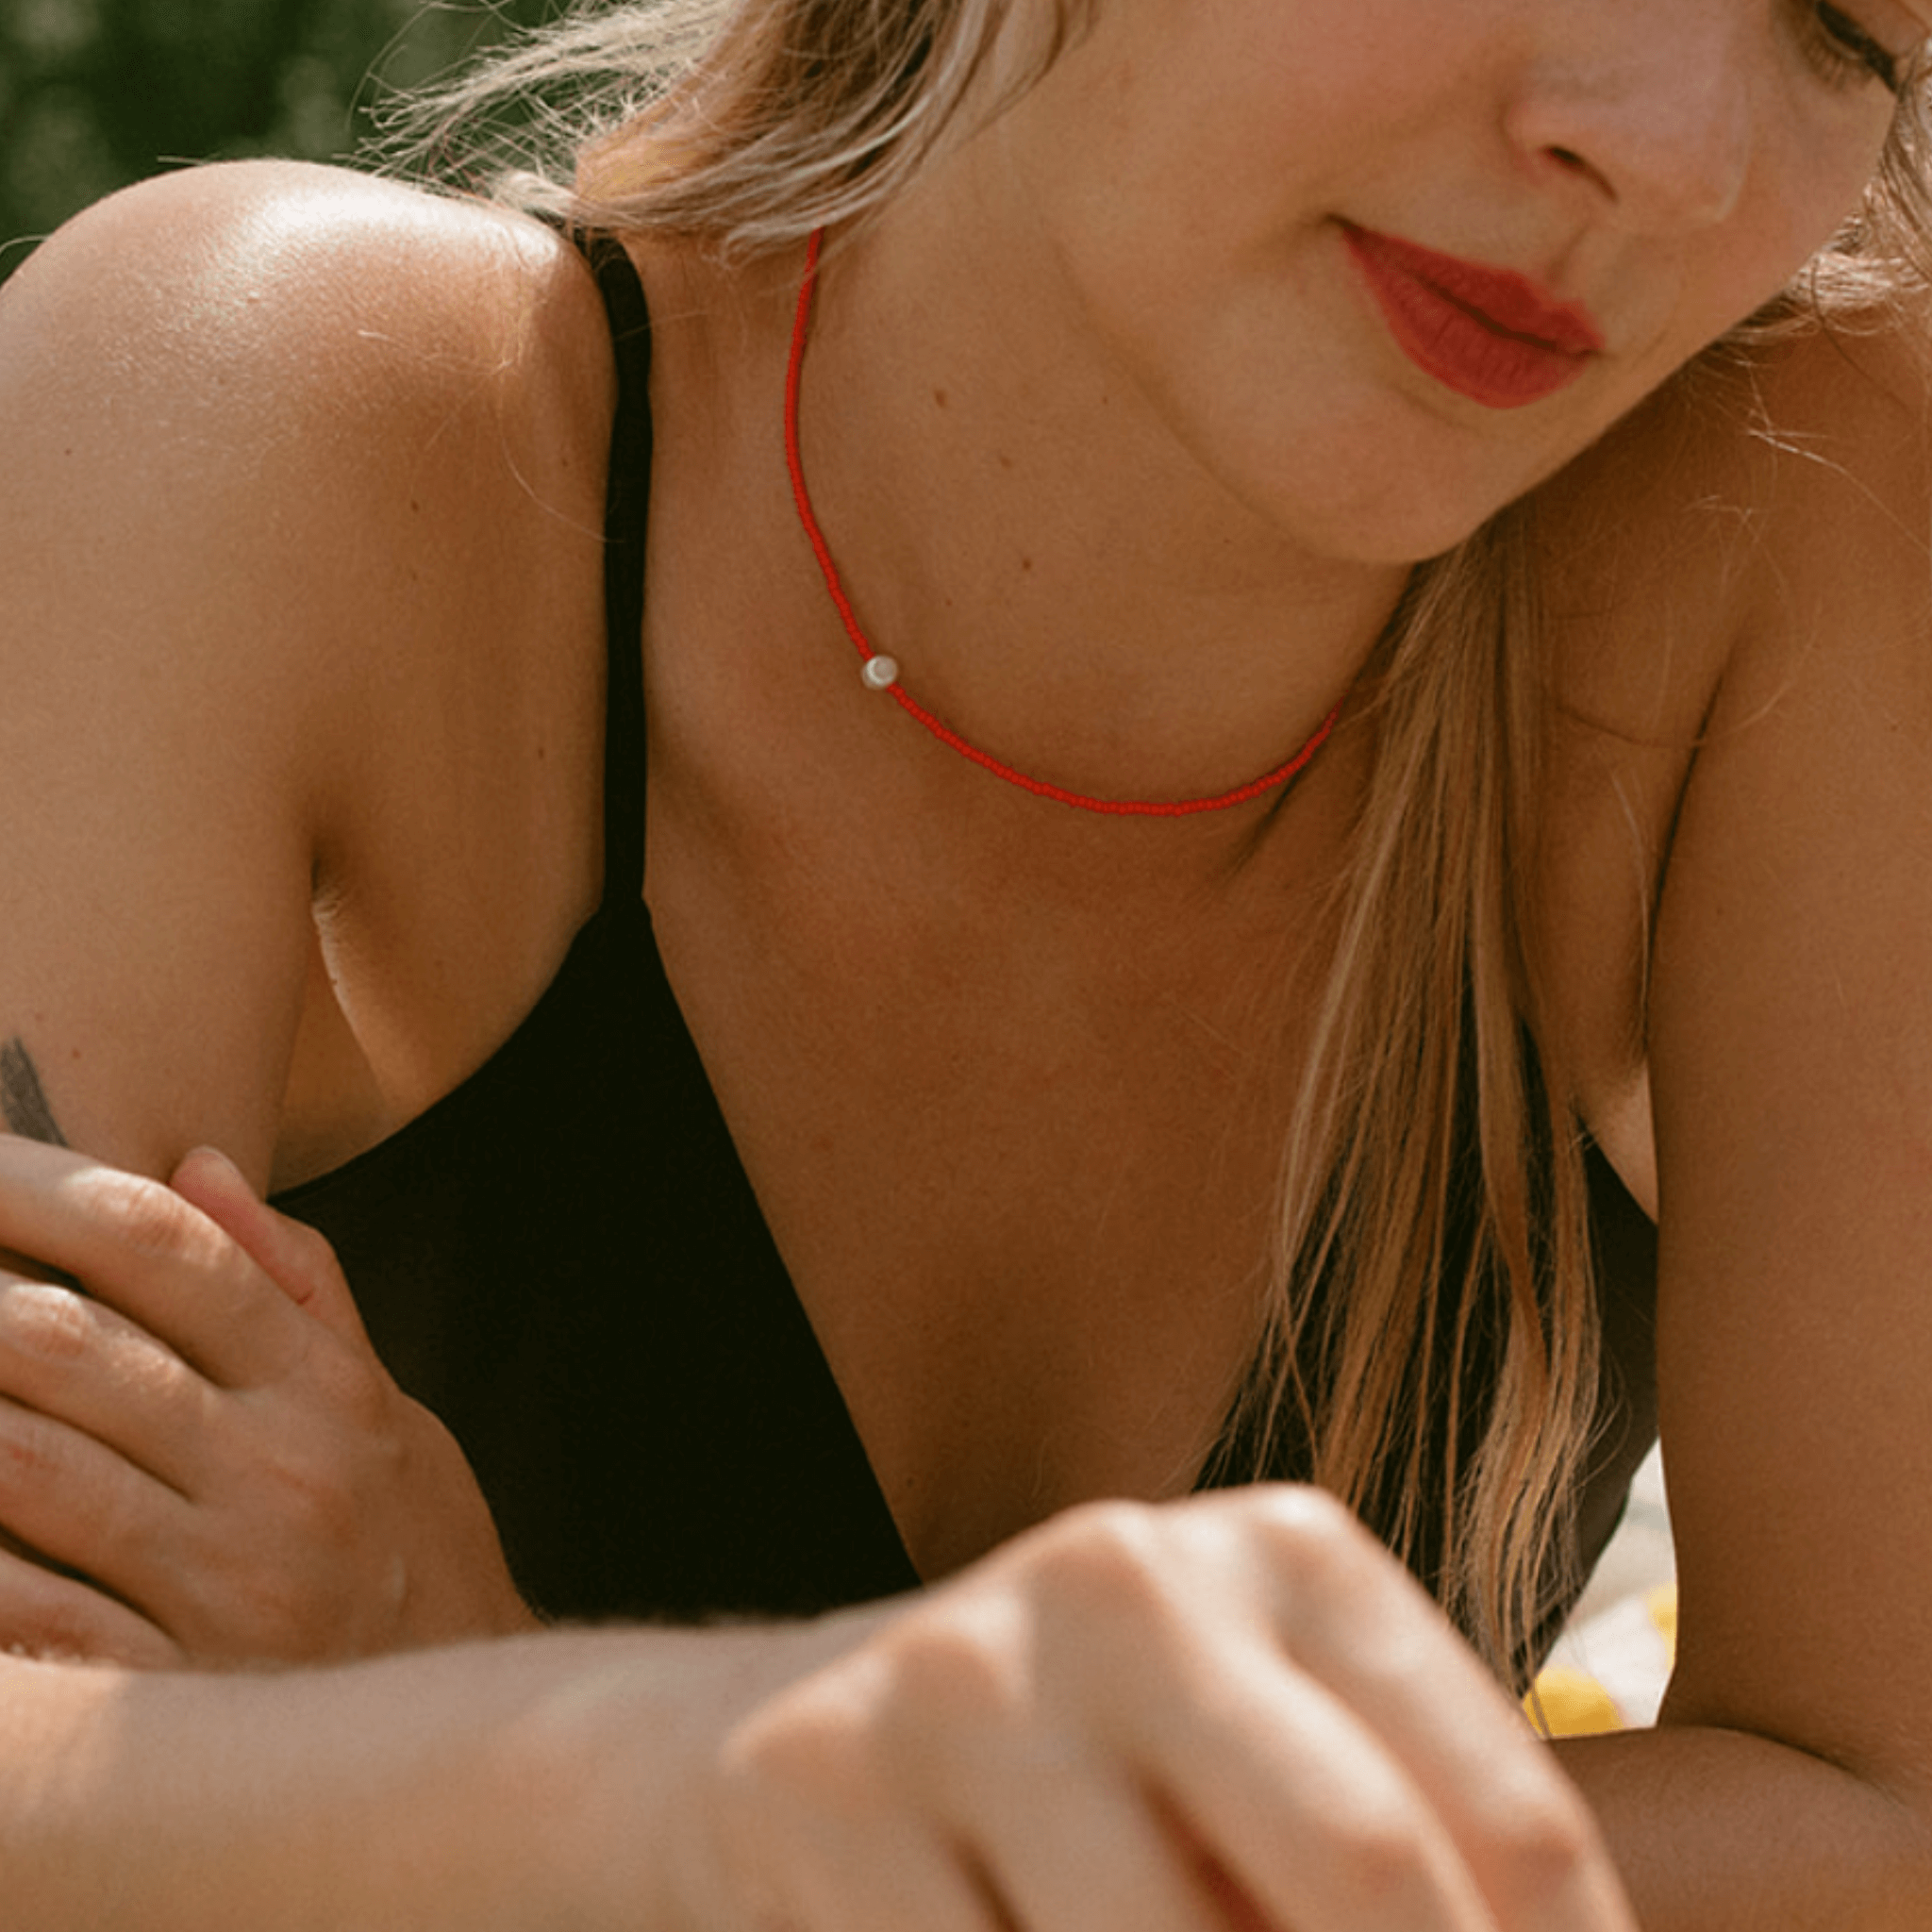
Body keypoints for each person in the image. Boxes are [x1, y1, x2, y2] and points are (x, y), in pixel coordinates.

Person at [0, 0, 1928, 1922]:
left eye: (1854, 30)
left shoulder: (1802, 518)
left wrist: (528, 1747)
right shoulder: (266, 407)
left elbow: (1886, 1832)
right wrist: (700, 1794)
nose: (1677, 153)